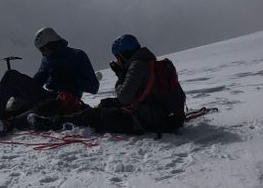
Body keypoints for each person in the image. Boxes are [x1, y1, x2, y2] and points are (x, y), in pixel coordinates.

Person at [32, 34, 185, 136]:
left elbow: (123, 96)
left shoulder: (137, 66)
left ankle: (54, 123)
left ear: (122, 54)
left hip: (149, 120)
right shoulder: (150, 62)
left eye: (118, 57)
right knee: (107, 103)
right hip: (164, 115)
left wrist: (120, 75)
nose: (117, 60)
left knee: (97, 115)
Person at [0, 27, 100, 137]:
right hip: (47, 95)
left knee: (43, 107)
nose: (42, 54)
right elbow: (37, 82)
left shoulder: (77, 56)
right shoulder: (47, 60)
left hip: (66, 101)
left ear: (52, 45)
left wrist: (71, 79)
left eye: (43, 50)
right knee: (11, 75)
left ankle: (6, 123)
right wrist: (14, 90)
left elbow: (94, 87)